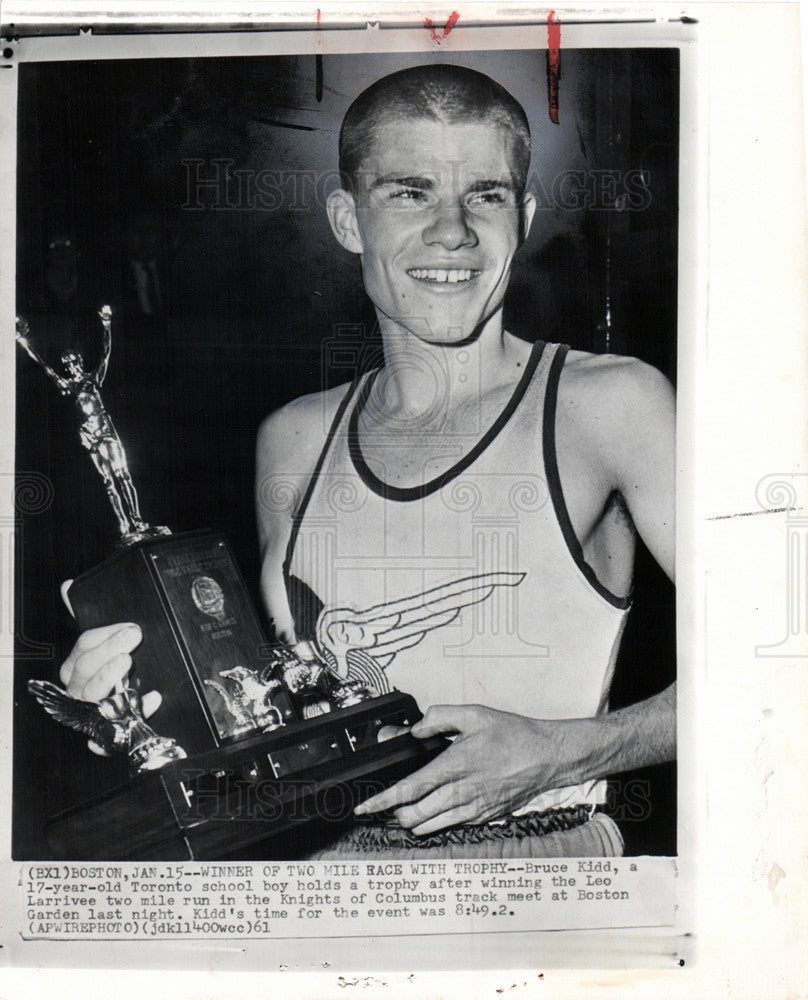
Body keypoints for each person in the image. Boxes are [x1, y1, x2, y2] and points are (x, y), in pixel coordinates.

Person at [58, 64, 675, 858]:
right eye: (409, 192)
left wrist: (564, 750)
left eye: (484, 195)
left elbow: (775, 663)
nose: (451, 232)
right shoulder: (294, 436)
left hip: (535, 862)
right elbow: (294, 708)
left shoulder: (610, 403)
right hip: (336, 871)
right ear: (348, 221)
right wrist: (141, 706)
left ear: (521, 217)